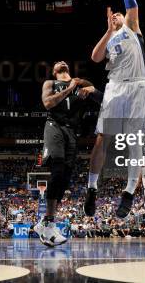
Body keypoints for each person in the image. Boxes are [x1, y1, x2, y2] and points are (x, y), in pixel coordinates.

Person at [84, 0, 145, 220]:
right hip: (115, 88)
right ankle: (91, 188)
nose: (118, 16)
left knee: (135, 140)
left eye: (120, 16)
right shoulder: (111, 40)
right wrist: (108, 30)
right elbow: (95, 58)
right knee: (103, 139)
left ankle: (128, 190)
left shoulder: (133, 27)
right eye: (115, 17)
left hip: (138, 85)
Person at [34, 61, 102, 247]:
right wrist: (69, 88)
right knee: (56, 171)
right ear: (55, 71)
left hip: (73, 132)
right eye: (57, 63)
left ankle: (45, 223)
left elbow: (103, 99)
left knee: (65, 177)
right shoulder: (50, 84)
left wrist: (88, 88)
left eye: (64, 62)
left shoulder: (81, 83)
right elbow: (48, 103)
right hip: (54, 126)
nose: (61, 62)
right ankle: (49, 223)